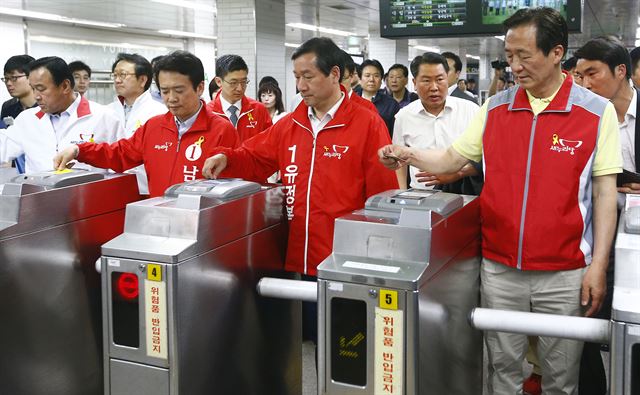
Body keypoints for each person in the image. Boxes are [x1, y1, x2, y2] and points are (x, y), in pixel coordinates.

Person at [379, 8, 621, 394]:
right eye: (509, 55)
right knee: (503, 372)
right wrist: (405, 153)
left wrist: (599, 267)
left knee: (561, 378)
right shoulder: (495, 108)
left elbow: (605, 193)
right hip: (499, 267)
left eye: (524, 55)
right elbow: (450, 160)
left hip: (565, 271)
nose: (515, 66)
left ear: (557, 52)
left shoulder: (595, 112)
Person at [201, 37, 398, 347]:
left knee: (345, 349)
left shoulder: (366, 124)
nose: (300, 85)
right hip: (300, 258)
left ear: (334, 74)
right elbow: (255, 157)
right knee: (310, 339)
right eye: (296, 77)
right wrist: (228, 157)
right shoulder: (291, 124)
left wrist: (372, 258)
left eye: (308, 76)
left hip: (343, 261)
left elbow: (381, 199)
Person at [53, 51, 238, 197]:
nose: (171, 98)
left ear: (199, 88)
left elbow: (232, 186)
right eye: (165, 91)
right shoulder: (154, 127)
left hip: (202, 225)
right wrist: (80, 150)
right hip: (157, 217)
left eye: (179, 90)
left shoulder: (221, 130)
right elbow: (120, 153)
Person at [574, 35, 639, 395]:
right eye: (579, 76)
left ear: (620, 71)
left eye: (592, 74)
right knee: (585, 324)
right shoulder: (582, 118)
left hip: (636, 243)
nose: (584, 84)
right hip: (592, 239)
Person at [0, 56, 122, 173]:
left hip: (89, 193)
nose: (36, 96)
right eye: (33, 89)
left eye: (41, 89)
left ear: (65, 86)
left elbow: (122, 164)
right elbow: (3, 148)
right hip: (40, 193)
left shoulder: (104, 117)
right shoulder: (27, 120)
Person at [392, 52, 480, 193]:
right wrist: (402, 193)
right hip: (420, 194)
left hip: (463, 192)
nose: (434, 87)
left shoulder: (471, 110)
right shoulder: (404, 116)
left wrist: (459, 171)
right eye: (426, 81)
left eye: (440, 79)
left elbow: (485, 158)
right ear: (414, 83)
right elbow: (399, 160)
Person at [108, 53, 167, 195]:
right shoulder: (108, 111)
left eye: (123, 75)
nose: (117, 80)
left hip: (146, 189)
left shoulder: (158, 112)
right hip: (112, 188)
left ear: (142, 80)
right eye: (115, 75)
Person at [207, 54, 272, 142]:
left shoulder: (258, 110)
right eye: (233, 83)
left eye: (244, 82)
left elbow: (270, 144)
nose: (240, 88)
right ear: (219, 81)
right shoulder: (208, 113)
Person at [1, 55, 36, 173]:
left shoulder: (46, 108)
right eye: (6, 79)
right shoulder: (8, 107)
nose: (9, 83)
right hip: (16, 174)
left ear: (31, 77)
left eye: (14, 78)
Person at [358, 59, 400, 136]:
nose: (371, 80)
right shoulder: (351, 101)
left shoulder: (391, 105)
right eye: (367, 76)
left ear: (381, 80)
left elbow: (394, 134)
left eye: (376, 76)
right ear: (360, 79)